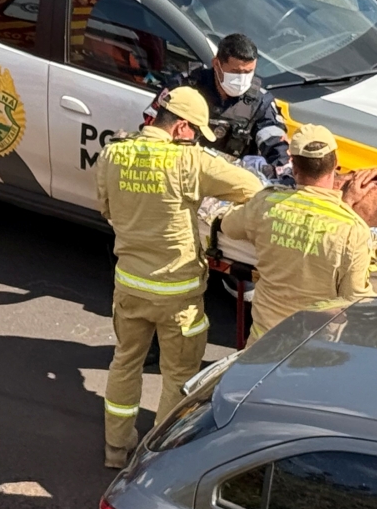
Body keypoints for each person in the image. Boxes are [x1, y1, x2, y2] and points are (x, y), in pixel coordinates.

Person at [97, 86, 262, 468]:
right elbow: (250, 187)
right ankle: (156, 458)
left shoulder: (113, 153)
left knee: (125, 362)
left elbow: (106, 208)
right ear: (182, 128)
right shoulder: (188, 162)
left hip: (130, 284)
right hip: (179, 293)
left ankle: (115, 449)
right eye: (197, 134)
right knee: (178, 376)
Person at [220, 124, 374, 339]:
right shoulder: (352, 230)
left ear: (293, 167)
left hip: (264, 339)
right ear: (336, 164)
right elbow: (355, 298)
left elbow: (228, 227)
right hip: (311, 347)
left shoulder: (265, 204)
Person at [146, 33, 290, 175]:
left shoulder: (260, 102)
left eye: (248, 72)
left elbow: (277, 147)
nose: (242, 78)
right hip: (180, 170)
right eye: (235, 71)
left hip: (230, 178)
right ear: (216, 64)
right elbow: (152, 128)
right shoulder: (183, 86)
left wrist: (276, 173)